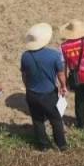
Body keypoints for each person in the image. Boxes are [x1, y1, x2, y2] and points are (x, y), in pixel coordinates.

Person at [20, 23, 68, 151]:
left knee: (37, 120)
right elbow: (61, 74)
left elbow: (24, 76)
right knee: (56, 120)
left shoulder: (25, 56)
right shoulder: (54, 55)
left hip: (32, 93)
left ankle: (43, 146)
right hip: (48, 94)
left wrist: (28, 88)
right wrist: (63, 86)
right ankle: (61, 145)